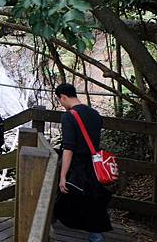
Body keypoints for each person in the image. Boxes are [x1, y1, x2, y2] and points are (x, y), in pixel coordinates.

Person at [53, 83, 112, 242]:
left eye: (60, 100)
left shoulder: (68, 116)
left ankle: (44, 229)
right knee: (93, 203)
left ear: (63, 97)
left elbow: (68, 148)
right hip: (93, 166)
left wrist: (63, 175)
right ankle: (96, 237)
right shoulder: (94, 114)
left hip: (77, 167)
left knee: (60, 196)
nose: (61, 104)